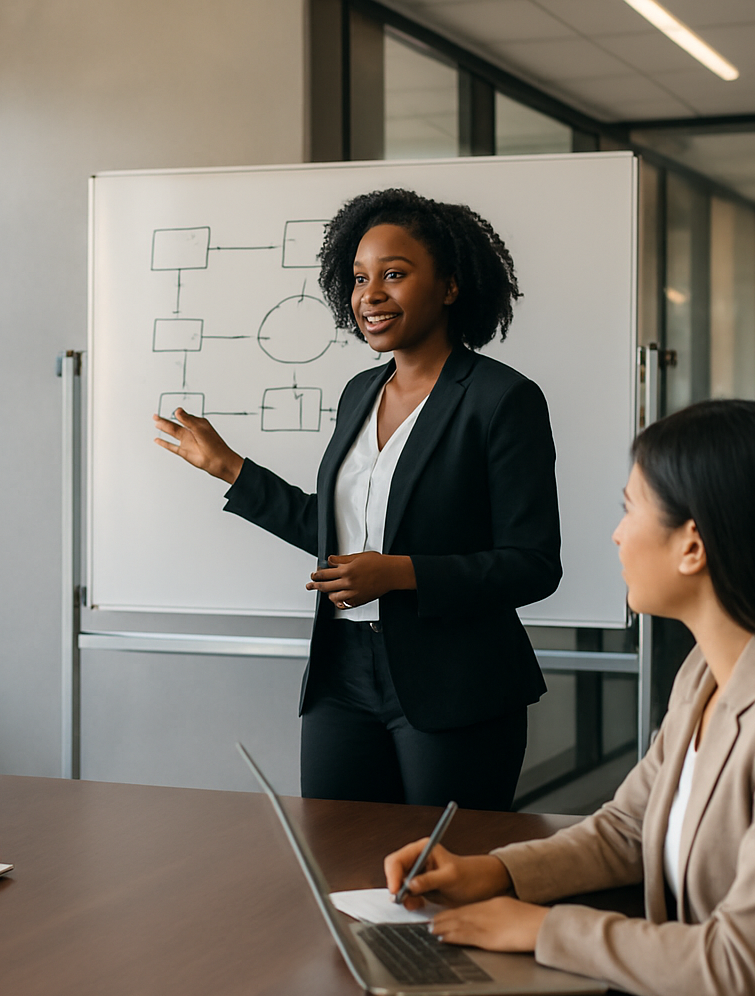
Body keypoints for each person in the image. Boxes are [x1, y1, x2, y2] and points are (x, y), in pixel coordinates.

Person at [383, 400, 755, 996]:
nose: (618, 534)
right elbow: (629, 829)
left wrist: (540, 929)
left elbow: (737, 973)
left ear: (692, 545)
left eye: (629, 509)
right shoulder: (705, 671)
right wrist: (493, 872)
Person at [153, 189, 560, 809]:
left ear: (450, 286)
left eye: (394, 274)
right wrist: (230, 468)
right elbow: (335, 533)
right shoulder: (359, 393)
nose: (370, 294)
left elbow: (532, 564)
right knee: (334, 855)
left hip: (454, 684)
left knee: (438, 866)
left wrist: (398, 574)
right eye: (360, 278)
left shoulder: (501, 399)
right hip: (342, 673)